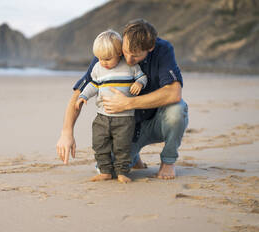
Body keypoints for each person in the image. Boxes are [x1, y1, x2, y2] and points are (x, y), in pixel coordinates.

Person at [56, 19, 188, 180]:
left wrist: (128, 103)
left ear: (150, 48)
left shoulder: (163, 49)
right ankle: (135, 155)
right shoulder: (110, 49)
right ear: (123, 41)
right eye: (125, 51)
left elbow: (174, 92)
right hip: (125, 129)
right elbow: (79, 92)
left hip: (156, 122)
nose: (128, 59)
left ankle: (168, 161)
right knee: (107, 171)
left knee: (178, 109)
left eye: (135, 56)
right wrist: (67, 132)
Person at [75, 29, 147, 183]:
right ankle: (105, 171)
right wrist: (83, 96)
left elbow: (142, 76)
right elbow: (93, 84)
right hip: (102, 116)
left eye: (107, 58)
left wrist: (139, 83)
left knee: (122, 147)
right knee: (100, 144)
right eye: (99, 58)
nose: (103, 62)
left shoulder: (129, 66)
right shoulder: (98, 68)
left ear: (119, 53)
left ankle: (122, 172)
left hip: (125, 118)